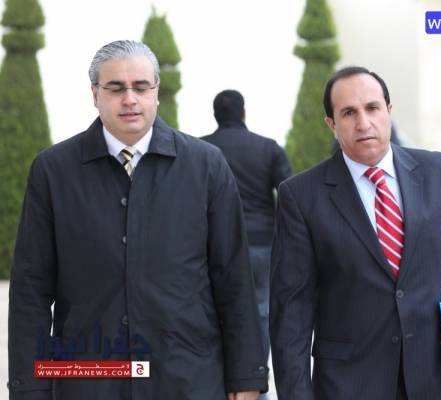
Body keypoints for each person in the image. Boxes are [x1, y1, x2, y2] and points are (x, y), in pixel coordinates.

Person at [8, 40, 267, 400]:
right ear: (95, 94)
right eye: (116, 88)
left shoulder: (206, 166)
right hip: (90, 381)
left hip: (187, 380)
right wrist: (30, 388)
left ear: (156, 92)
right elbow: (31, 291)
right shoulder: (53, 172)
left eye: (141, 87)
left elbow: (234, 277)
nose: (129, 99)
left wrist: (246, 376)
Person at [270, 66, 441, 400]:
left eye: (372, 108)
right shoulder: (301, 196)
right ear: (331, 124)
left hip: (437, 378)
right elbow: (291, 312)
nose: (364, 123)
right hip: (349, 385)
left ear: (389, 111)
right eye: (349, 113)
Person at [201, 89, 292, 366]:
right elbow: (289, 196)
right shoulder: (268, 148)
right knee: (262, 309)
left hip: (214, 244)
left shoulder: (200, 150)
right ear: (243, 112)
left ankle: (226, 371)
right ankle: (256, 371)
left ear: (215, 115)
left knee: (215, 309)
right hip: (261, 243)